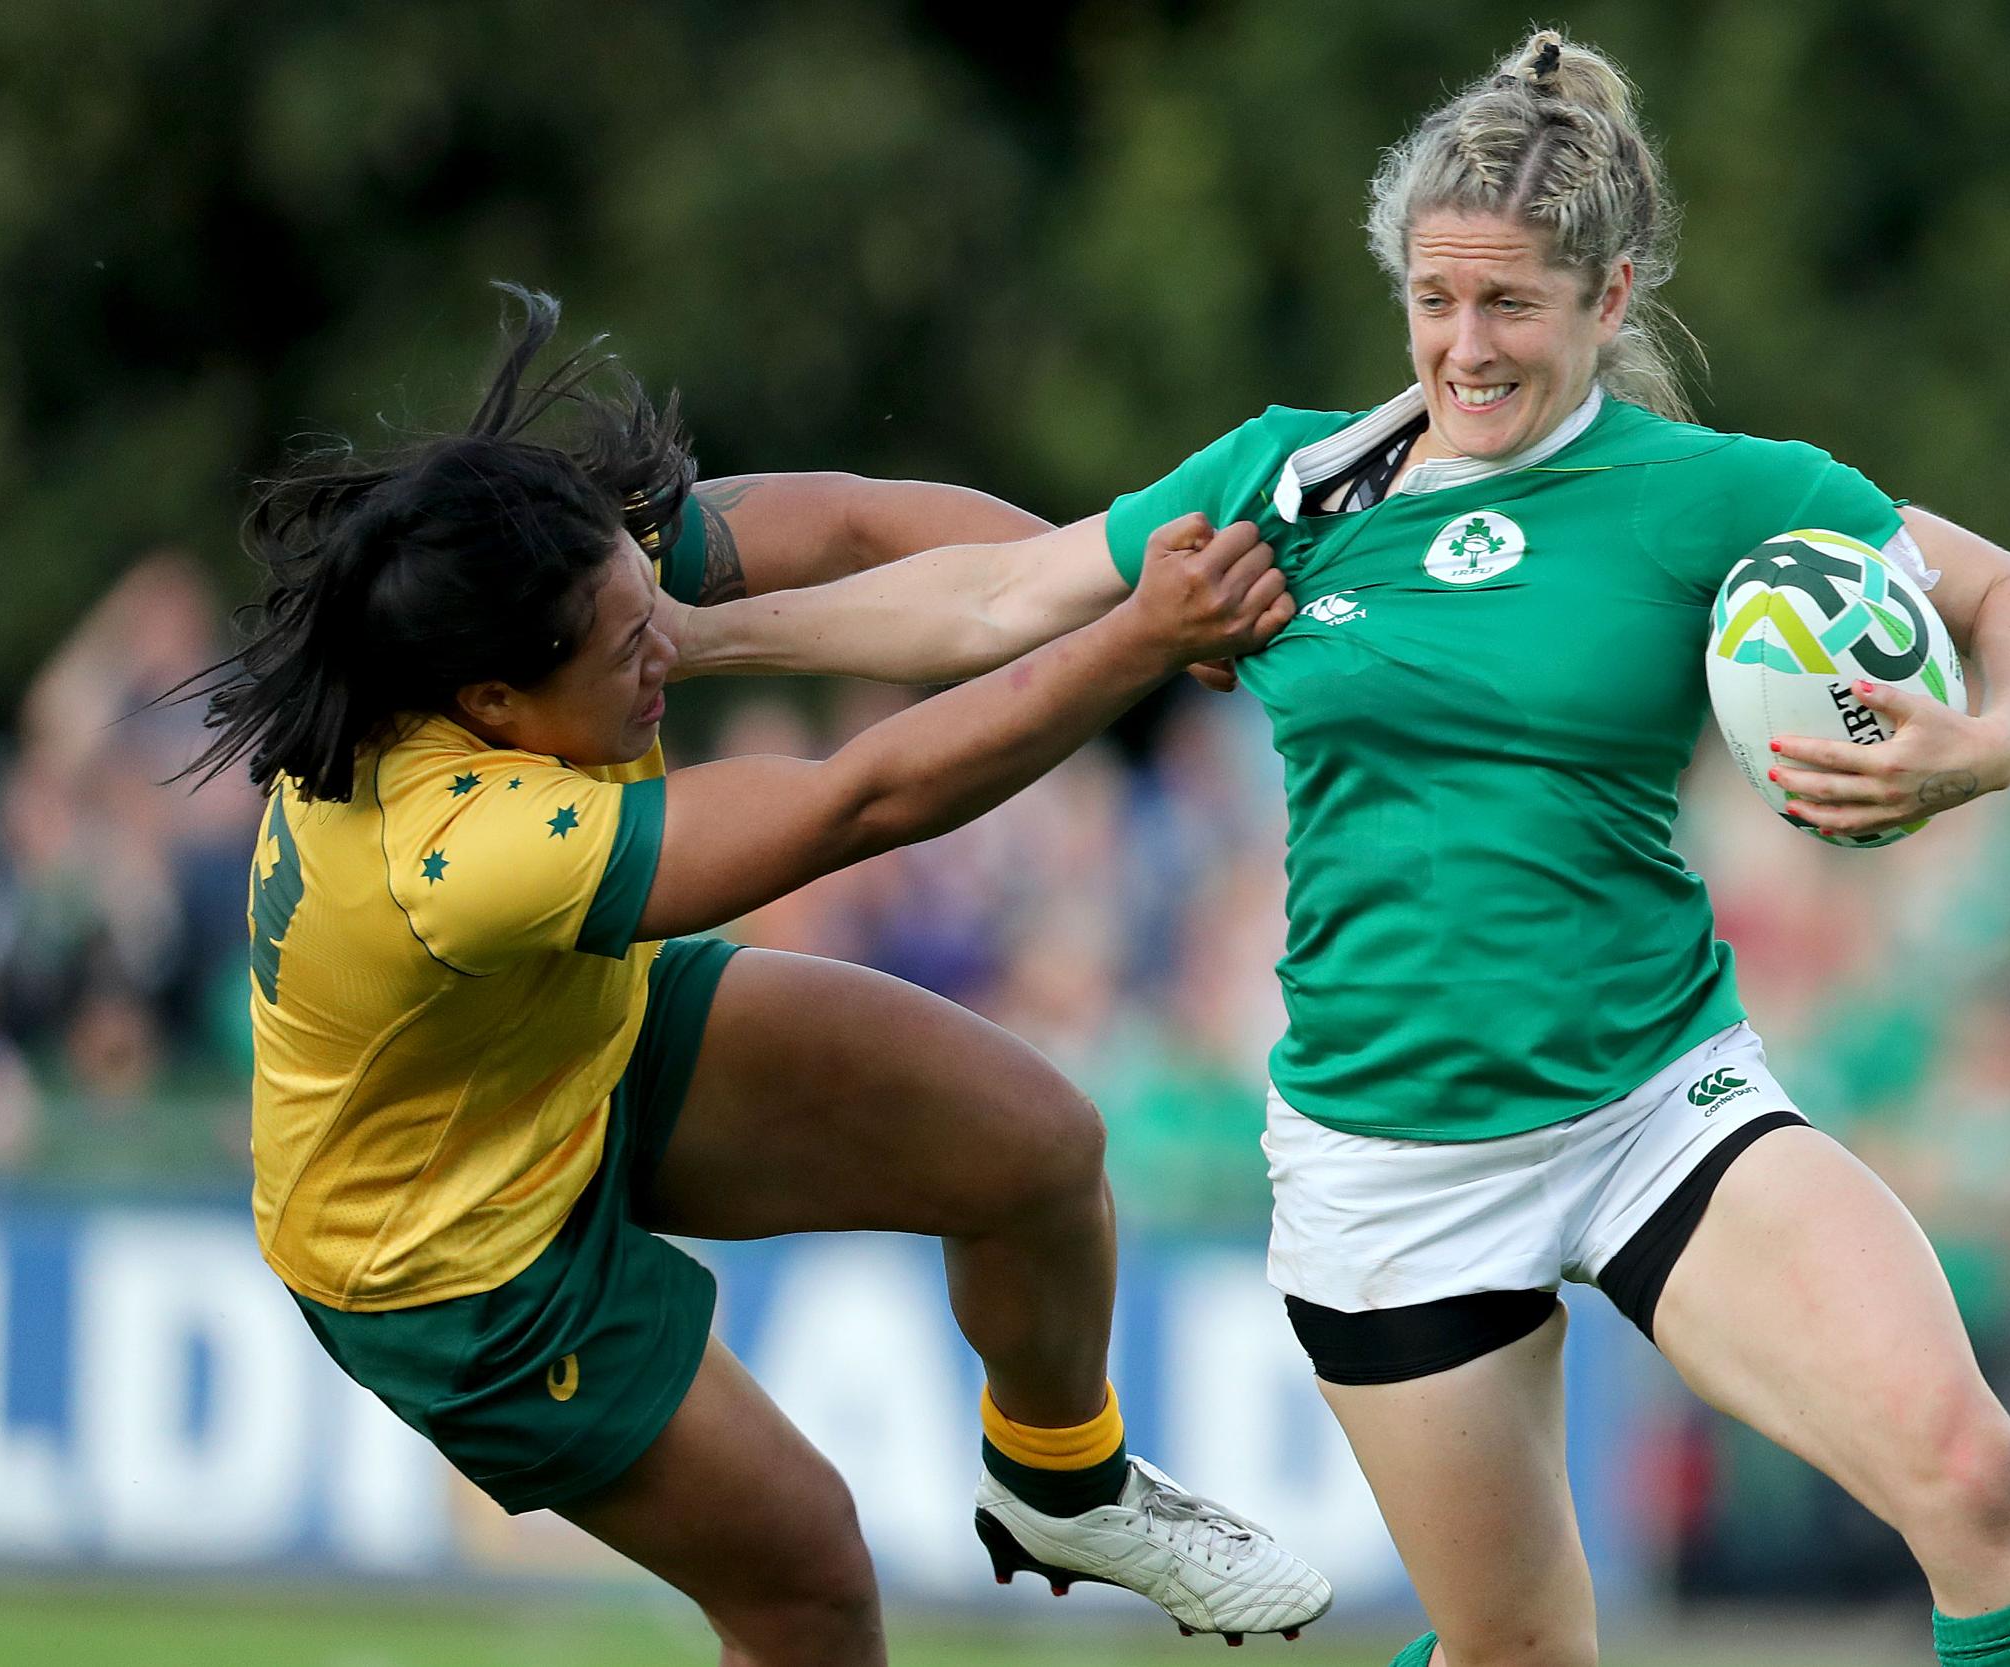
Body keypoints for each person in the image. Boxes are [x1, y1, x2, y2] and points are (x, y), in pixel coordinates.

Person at [663, 32, 2010, 1667]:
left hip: (1656, 1103)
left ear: (1611, 295)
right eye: (1435, 300)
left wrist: (1987, 742)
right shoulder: (1293, 481)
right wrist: (692, 642)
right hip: (1388, 1165)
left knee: (1972, 1474)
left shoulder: (1718, 492)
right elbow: (998, 599)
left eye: (1509, 304)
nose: (1465, 344)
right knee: (1518, 1651)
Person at [191, 290, 1331, 1666]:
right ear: (495, 710)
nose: (668, 640)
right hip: (453, 1260)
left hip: (562, 1043)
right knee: (810, 1587)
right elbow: (863, 801)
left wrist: (1118, 586)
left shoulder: (547, 562)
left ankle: (1060, 1483)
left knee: (1036, 1147)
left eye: (649, 599)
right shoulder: (462, 848)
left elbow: (855, 526)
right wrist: (1138, 644)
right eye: (631, 651)